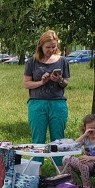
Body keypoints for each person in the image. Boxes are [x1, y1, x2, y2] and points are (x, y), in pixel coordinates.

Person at [23, 30, 70, 165]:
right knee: (38, 139)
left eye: (53, 46)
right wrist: (41, 82)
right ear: (41, 46)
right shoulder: (32, 62)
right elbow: (27, 84)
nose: (51, 50)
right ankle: (37, 174)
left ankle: (60, 175)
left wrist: (60, 79)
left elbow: (66, 83)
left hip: (58, 103)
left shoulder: (62, 61)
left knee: (58, 140)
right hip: (37, 103)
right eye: (48, 47)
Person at [61, 114, 95, 188]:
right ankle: (72, 184)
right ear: (85, 128)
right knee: (66, 159)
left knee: (82, 162)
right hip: (85, 163)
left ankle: (88, 187)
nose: (93, 130)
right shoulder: (86, 139)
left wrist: (90, 158)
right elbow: (73, 146)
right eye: (90, 128)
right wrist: (84, 135)